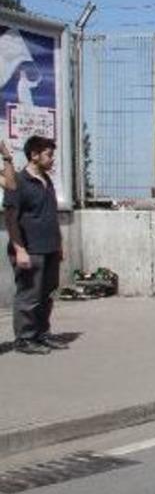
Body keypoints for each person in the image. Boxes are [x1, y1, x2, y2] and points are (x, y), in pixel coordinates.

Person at [4, 135, 64, 355]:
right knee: (29, 296)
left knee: (46, 295)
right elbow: (11, 219)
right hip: (29, 249)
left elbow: (51, 215)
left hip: (50, 247)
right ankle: (25, 339)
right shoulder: (17, 181)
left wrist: (59, 245)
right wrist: (20, 249)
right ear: (34, 155)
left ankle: (42, 334)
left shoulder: (46, 180)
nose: (52, 159)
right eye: (49, 154)